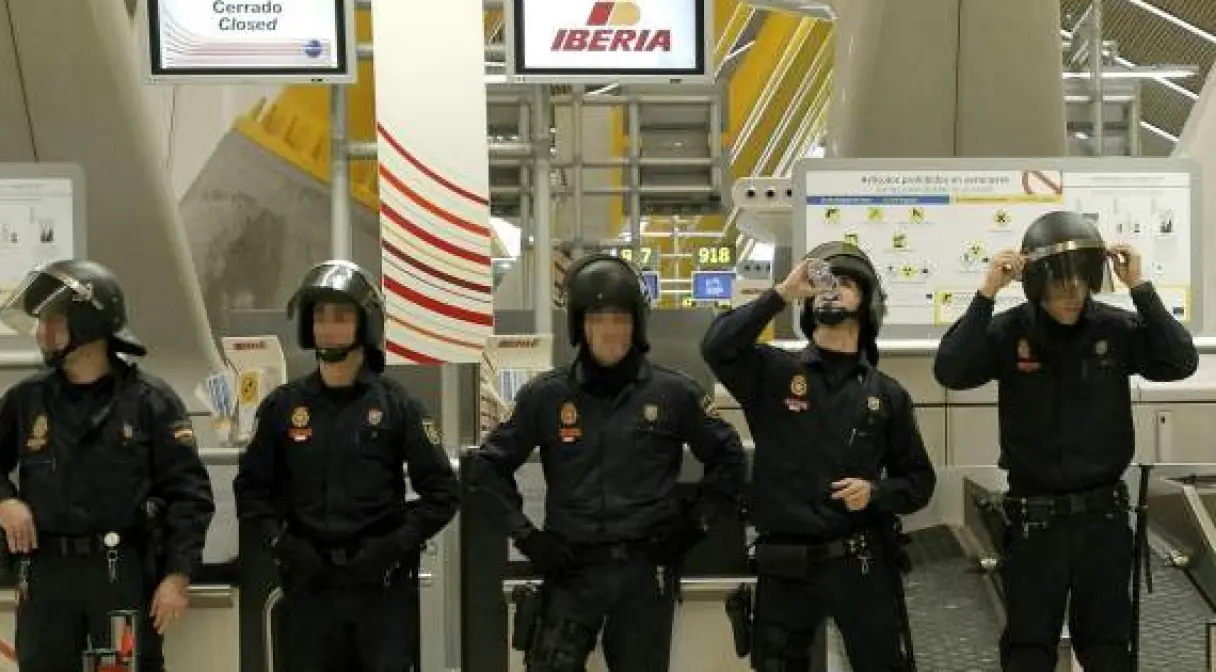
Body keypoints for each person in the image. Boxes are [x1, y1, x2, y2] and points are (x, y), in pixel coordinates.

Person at [934, 211, 1198, 671]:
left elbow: (1180, 361)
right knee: (1028, 649)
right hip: (1034, 524)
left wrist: (1139, 287)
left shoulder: (1115, 328)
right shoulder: (1009, 332)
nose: (1072, 292)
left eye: (1081, 279)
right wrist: (987, 292)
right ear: (1036, 283)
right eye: (1059, 281)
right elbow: (951, 370)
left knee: (1108, 649)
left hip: (1103, 520)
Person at [467, 253, 747, 672]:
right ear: (580, 325)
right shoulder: (547, 396)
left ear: (637, 324)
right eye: (598, 319)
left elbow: (730, 460)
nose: (611, 330)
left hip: (644, 570)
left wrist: (693, 525)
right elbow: (487, 469)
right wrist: (527, 537)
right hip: (570, 569)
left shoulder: (675, 393)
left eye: (621, 318)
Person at [0, 259, 216, 672]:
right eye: (41, 322)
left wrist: (178, 576)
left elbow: (189, 497)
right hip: (45, 578)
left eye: (53, 321)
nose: (42, 333)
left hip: (120, 576)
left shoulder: (149, 402)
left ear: (89, 323)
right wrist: (4, 502)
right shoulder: (28, 398)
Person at [701, 241, 935, 672]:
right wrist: (783, 292)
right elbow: (717, 347)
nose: (832, 289)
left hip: (860, 562)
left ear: (867, 304)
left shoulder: (886, 395)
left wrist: (876, 493)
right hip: (785, 565)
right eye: (826, 282)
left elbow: (920, 482)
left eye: (846, 283)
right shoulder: (773, 374)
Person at [233, 259, 460, 672]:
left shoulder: (398, 406)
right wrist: (283, 544)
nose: (327, 327)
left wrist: (393, 546)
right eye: (319, 316)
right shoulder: (283, 407)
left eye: (340, 317)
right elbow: (250, 491)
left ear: (365, 325)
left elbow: (442, 494)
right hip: (310, 589)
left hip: (381, 592)